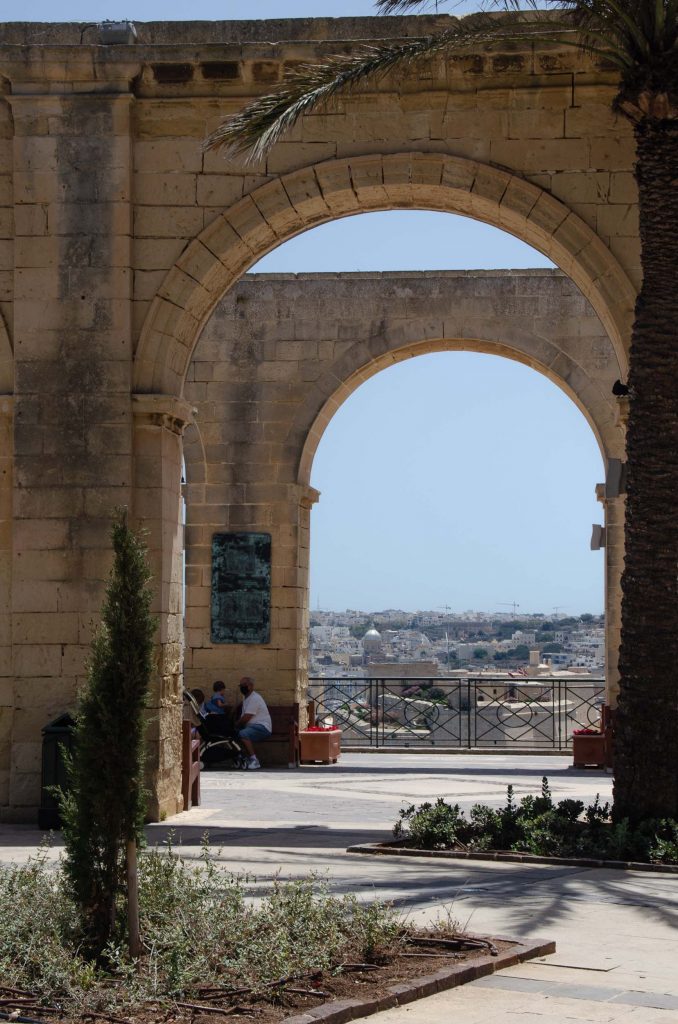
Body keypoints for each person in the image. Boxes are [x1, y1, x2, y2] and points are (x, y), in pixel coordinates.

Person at [235, 677, 271, 771]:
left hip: (262, 727)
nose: (241, 688)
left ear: (250, 686)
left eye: (244, 685)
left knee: (243, 734)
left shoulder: (255, 698)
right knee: (234, 734)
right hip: (252, 727)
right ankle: (242, 758)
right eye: (240, 686)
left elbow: (246, 717)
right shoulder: (246, 698)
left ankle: (254, 760)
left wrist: (236, 724)